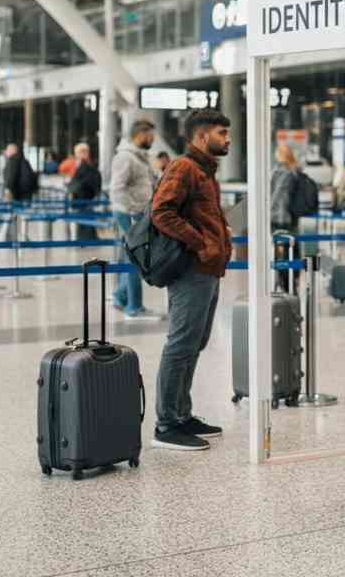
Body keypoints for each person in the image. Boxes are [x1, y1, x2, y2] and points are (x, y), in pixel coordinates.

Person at [150, 109, 233, 452]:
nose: (228, 139)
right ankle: (166, 425)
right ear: (201, 137)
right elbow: (161, 211)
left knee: (194, 344)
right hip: (191, 270)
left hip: (209, 269)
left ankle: (182, 415)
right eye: (221, 133)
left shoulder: (204, 170)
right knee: (181, 344)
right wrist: (200, 243)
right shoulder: (184, 167)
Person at [110, 121, 157, 317]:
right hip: (128, 214)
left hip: (138, 213)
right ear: (140, 134)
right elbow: (117, 188)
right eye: (150, 135)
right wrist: (131, 211)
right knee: (135, 258)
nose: (153, 139)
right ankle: (134, 306)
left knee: (133, 257)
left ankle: (121, 297)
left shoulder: (140, 157)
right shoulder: (125, 158)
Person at [270, 143, 302, 293]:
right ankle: (290, 282)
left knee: (282, 253)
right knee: (292, 250)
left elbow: (277, 196)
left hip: (280, 218)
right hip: (291, 217)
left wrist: (268, 211)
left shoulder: (282, 171)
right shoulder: (294, 170)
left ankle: (286, 284)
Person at [67, 143, 102, 241]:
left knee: (85, 221)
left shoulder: (87, 166)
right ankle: (86, 239)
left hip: (84, 198)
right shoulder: (83, 165)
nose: (77, 155)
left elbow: (84, 182)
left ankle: (85, 240)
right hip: (83, 198)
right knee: (85, 221)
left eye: (79, 153)